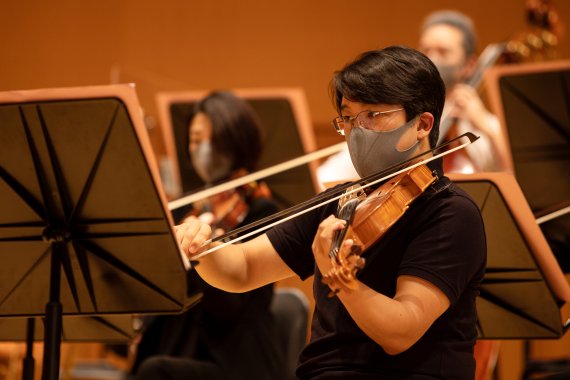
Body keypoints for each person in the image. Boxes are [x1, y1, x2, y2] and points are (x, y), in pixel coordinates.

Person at [176, 46, 487, 380]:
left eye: (373, 115)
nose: (357, 130)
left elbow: (401, 331)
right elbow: (243, 269)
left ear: (422, 124)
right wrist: (201, 248)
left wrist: (339, 277)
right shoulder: (341, 202)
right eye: (349, 117)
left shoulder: (450, 213)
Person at [131, 91, 285, 380]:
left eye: (209, 139)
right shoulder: (190, 207)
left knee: (155, 372)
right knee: (147, 364)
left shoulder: (260, 209)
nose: (201, 148)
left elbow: (231, 304)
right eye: (194, 140)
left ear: (234, 140)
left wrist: (202, 249)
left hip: (237, 359)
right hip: (186, 348)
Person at [418, 9, 511, 174]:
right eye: (426, 51)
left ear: (469, 65)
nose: (431, 59)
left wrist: (486, 125)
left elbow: (518, 180)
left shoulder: (487, 125)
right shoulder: (407, 115)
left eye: (443, 52)